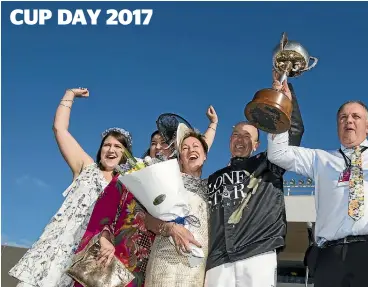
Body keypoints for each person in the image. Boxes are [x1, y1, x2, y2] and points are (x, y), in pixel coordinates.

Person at [266, 95, 368, 285]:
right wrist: (281, 104)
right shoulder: (320, 159)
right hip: (329, 257)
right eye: (343, 117)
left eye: (355, 117)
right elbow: (278, 153)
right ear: (337, 126)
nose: (348, 120)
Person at [9, 88, 133, 287]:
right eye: (107, 145)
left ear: (126, 154)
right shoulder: (86, 167)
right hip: (55, 250)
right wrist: (70, 94)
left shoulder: (126, 186)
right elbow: (59, 129)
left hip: (87, 260)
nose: (111, 150)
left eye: (118, 147)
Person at [204, 71, 304, 287]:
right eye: (236, 135)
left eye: (247, 136)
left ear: (257, 145)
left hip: (257, 253)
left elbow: (293, 133)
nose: (240, 140)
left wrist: (287, 99)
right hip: (218, 259)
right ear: (229, 140)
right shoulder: (212, 179)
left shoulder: (269, 164)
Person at [143, 109, 218, 287]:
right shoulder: (167, 178)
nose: (191, 150)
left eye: (196, 147)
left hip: (196, 269)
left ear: (205, 155)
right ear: (180, 158)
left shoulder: (215, 186)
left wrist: (213, 124)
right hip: (164, 261)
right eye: (185, 148)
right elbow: (148, 221)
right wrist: (170, 228)